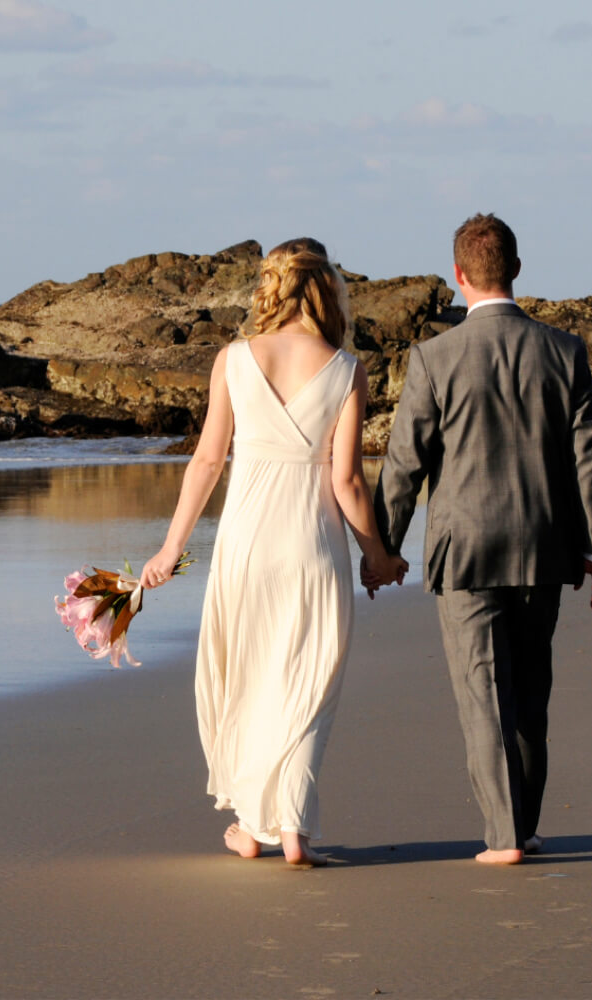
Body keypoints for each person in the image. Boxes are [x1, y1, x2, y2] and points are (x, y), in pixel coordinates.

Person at [139, 238, 407, 867]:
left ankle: (254, 825)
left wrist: (170, 550)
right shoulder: (345, 370)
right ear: (325, 291)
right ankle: (293, 830)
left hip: (247, 544)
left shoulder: (233, 359)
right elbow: (346, 482)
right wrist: (378, 556)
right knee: (308, 682)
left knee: (249, 674)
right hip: (312, 544)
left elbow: (206, 461)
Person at [367, 213, 592, 865]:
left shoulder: (433, 358)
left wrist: (381, 550)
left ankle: (505, 837)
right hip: (543, 545)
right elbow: (588, 456)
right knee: (531, 693)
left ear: (458, 277)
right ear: (517, 270)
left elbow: (404, 463)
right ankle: (523, 827)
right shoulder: (564, 352)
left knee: (484, 693)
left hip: (465, 552)